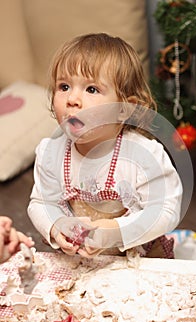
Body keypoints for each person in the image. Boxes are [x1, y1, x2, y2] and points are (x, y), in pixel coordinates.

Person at [28, 33, 183, 258]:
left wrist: (115, 231)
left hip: (137, 258)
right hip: (80, 260)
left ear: (124, 109)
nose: (72, 99)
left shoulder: (145, 155)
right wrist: (57, 224)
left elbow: (165, 210)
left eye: (91, 89)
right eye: (64, 87)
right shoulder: (51, 153)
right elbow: (41, 202)